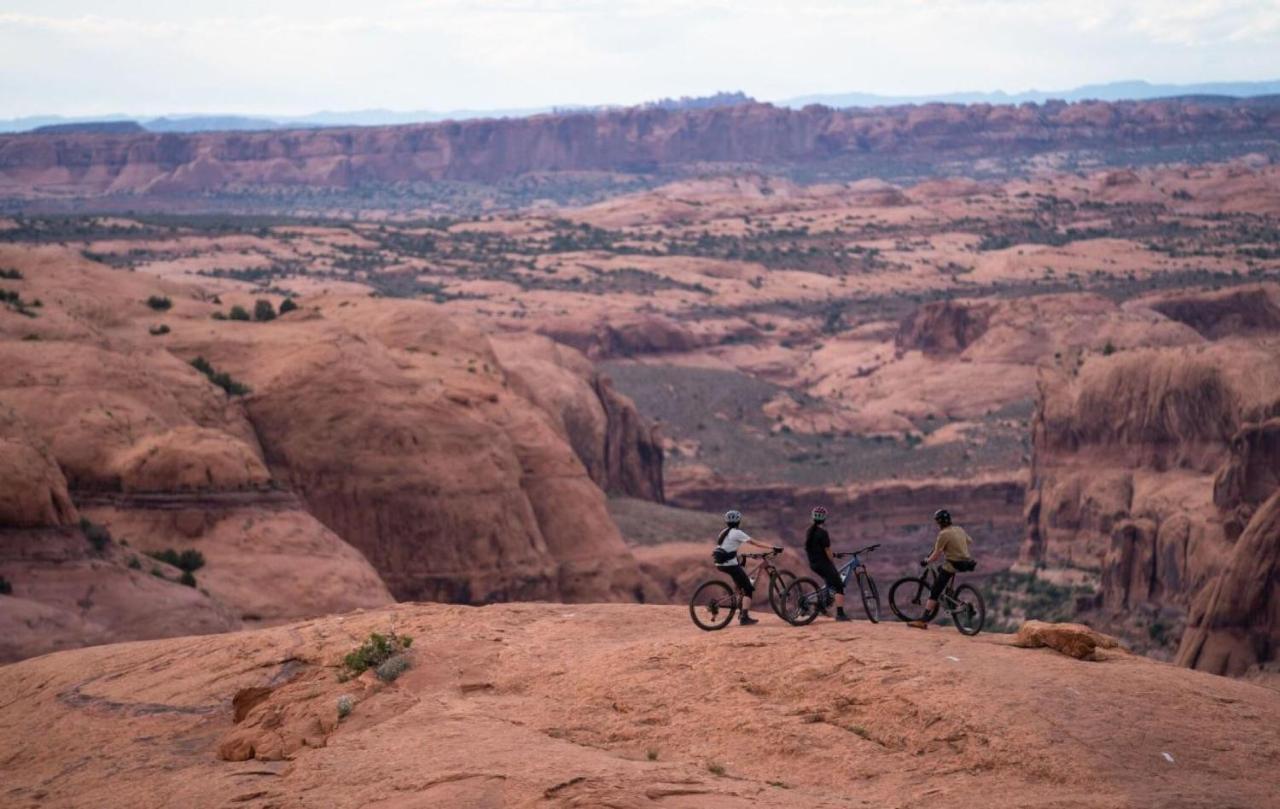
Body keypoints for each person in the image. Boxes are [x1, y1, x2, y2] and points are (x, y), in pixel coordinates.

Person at [908, 509, 976, 630]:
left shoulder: (943, 534)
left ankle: (923, 621)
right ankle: (950, 596)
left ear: (939, 522)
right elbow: (970, 541)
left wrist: (926, 561)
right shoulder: (959, 529)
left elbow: (936, 555)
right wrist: (957, 546)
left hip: (952, 564)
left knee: (935, 591)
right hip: (966, 563)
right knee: (941, 570)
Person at [713, 510, 780, 626]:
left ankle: (739, 597)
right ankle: (744, 617)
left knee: (741, 582)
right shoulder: (737, 533)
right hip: (730, 564)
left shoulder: (723, 532)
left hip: (720, 563)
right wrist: (772, 547)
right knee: (748, 589)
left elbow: (728, 547)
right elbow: (755, 543)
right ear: (739, 521)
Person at [804, 506, 850, 621]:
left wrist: (834, 555)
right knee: (839, 585)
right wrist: (832, 561)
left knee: (830, 582)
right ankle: (840, 614)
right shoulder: (823, 533)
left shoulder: (809, 531)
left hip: (813, 563)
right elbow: (827, 550)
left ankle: (822, 605)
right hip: (823, 563)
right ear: (824, 519)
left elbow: (817, 549)